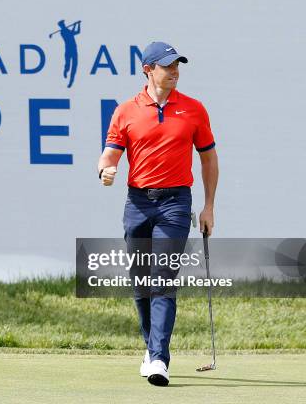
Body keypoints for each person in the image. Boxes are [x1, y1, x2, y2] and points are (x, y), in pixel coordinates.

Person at [97, 41, 219, 386]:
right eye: (168, 66)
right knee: (141, 283)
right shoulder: (126, 111)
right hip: (137, 203)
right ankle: (151, 348)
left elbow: (209, 159)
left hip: (176, 203)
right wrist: (105, 170)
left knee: (162, 278)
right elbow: (109, 155)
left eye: (178, 65)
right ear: (148, 69)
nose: (175, 71)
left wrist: (208, 206)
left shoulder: (194, 109)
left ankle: (159, 359)